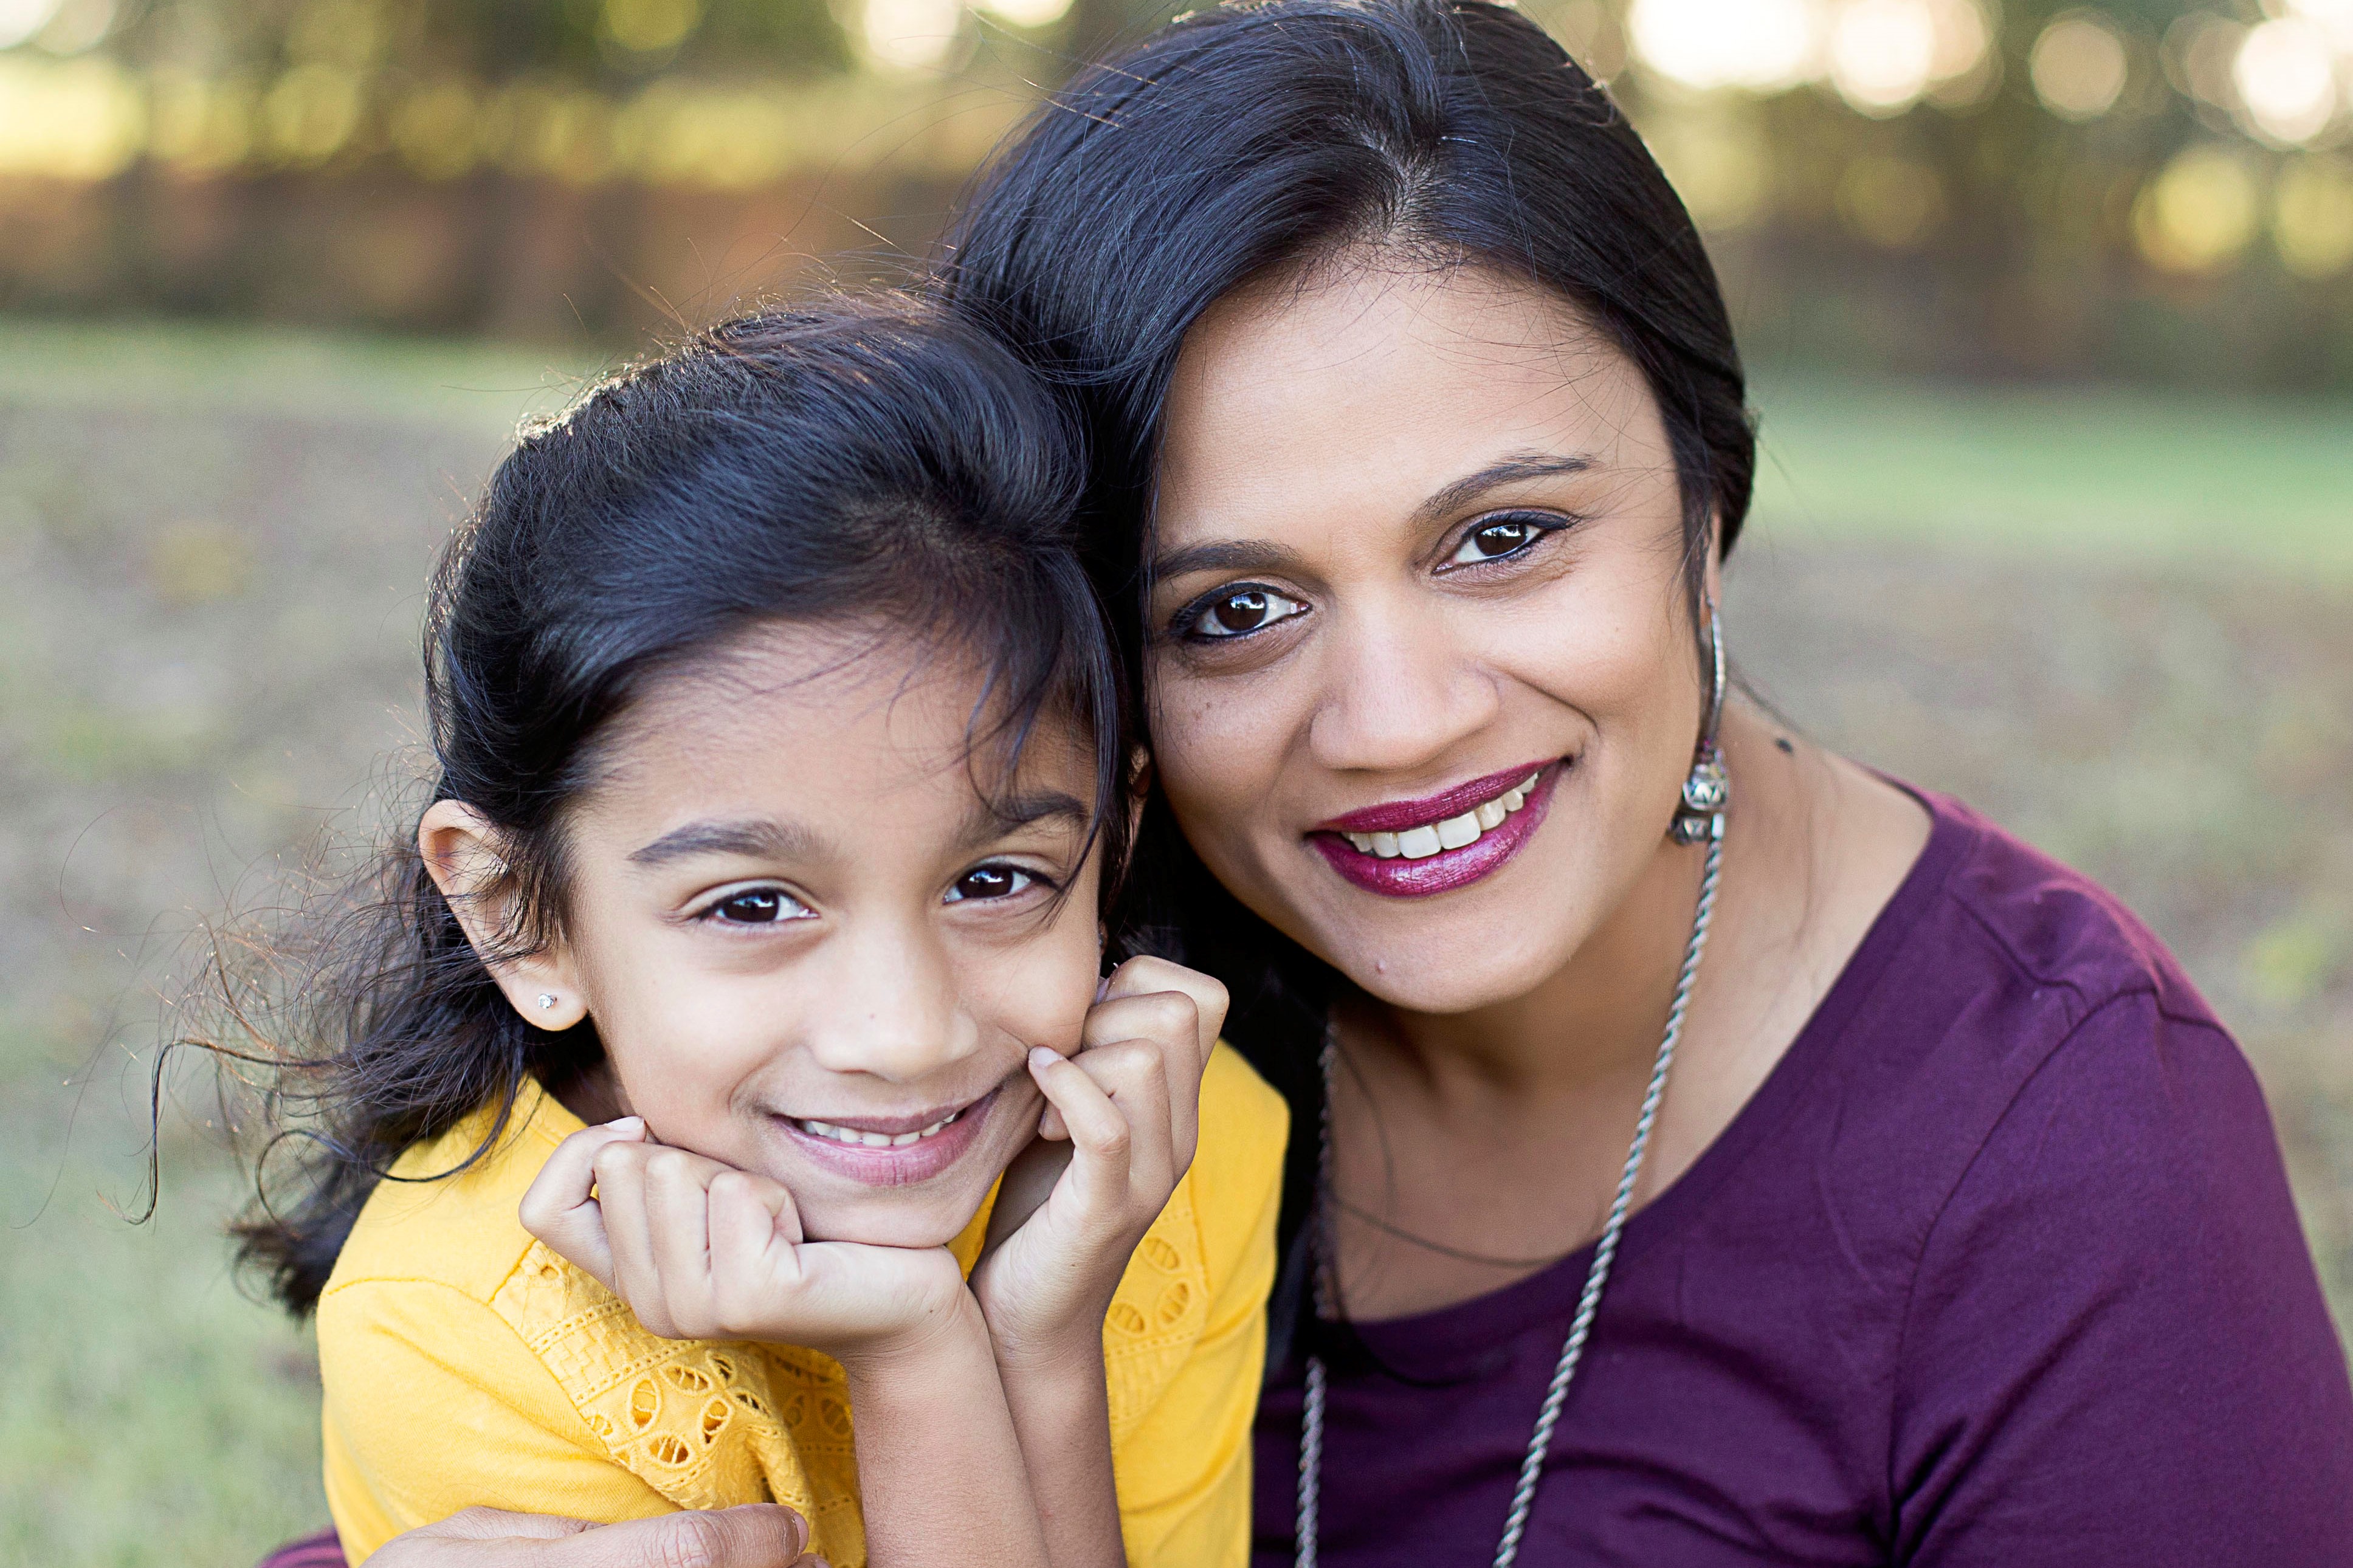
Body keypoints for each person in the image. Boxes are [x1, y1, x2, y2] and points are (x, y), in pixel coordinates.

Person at [271, 2, 2353, 1565]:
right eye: (1231, 610)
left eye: (1503, 539)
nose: (1395, 718)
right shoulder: (1029, 978)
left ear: (1707, 507)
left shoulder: (2071, 1152)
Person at [222, 301, 1285, 1568]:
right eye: (752, 905)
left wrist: (1036, 1350)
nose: (904, 1032)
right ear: (518, 914)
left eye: (997, 880)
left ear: (1112, 843)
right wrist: (918, 1353)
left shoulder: (1171, 1146)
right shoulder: (459, 1322)